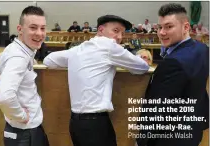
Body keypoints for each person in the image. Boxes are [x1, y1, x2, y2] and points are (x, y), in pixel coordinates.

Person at [43, 15, 149, 146]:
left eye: (122, 33)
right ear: (100, 30)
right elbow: (142, 67)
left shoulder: (78, 49)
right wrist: (139, 55)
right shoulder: (109, 46)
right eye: (115, 31)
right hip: (95, 124)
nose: (120, 37)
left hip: (75, 123)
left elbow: (48, 60)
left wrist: (77, 63)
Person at [136, 3, 209, 146]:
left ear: (186, 27)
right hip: (193, 129)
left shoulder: (172, 63)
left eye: (169, 27)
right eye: (160, 27)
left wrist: (143, 139)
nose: (162, 32)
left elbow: (159, 109)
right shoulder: (202, 49)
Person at [0, 6, 49, 146]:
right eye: (33, 27)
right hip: (24, 133)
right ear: (20, 29)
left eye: (43, 28)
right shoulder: (18, 57)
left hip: (24, 131)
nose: (39, 33)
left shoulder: (16, 49)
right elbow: (3, 96)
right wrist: (21, 116)